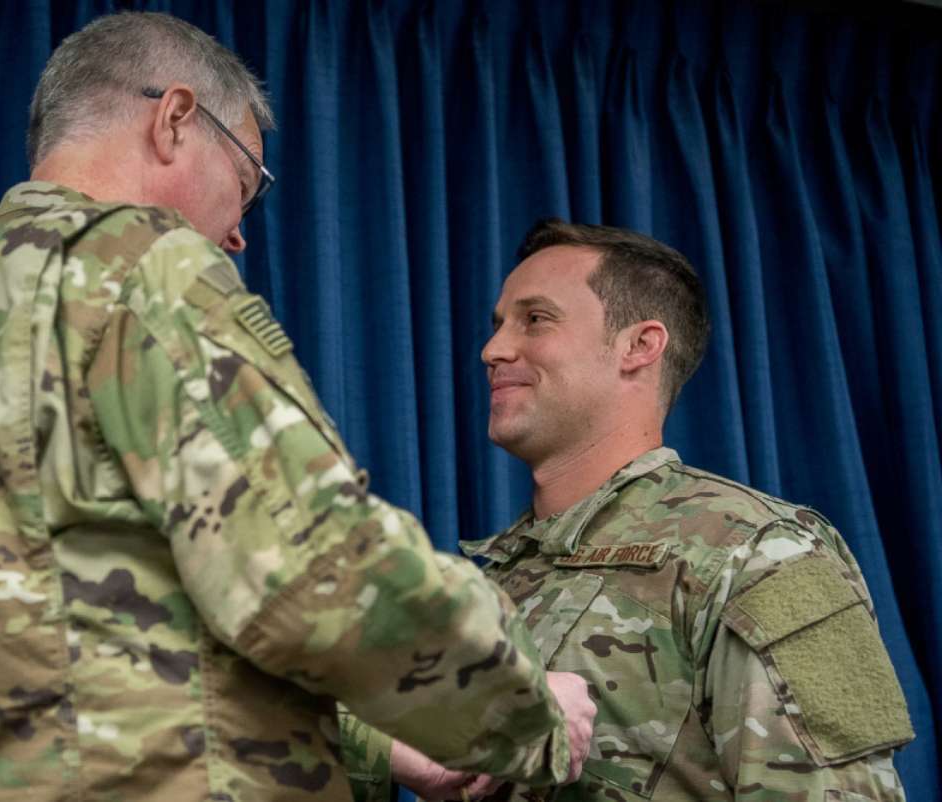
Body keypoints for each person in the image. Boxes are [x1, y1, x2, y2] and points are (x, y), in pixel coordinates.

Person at [0, 13, 597, 802]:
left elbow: (94, 630)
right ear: (174, 121)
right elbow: (314, 565)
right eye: (248, 186)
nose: (237, 237)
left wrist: (384, 747)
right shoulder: (137, 266)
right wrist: (529, 708)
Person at [346, 219, 914, 801]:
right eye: (498, 326)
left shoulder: (760, 550)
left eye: (535, 319)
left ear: (639, 347)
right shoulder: (492, 586)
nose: (493, 350)